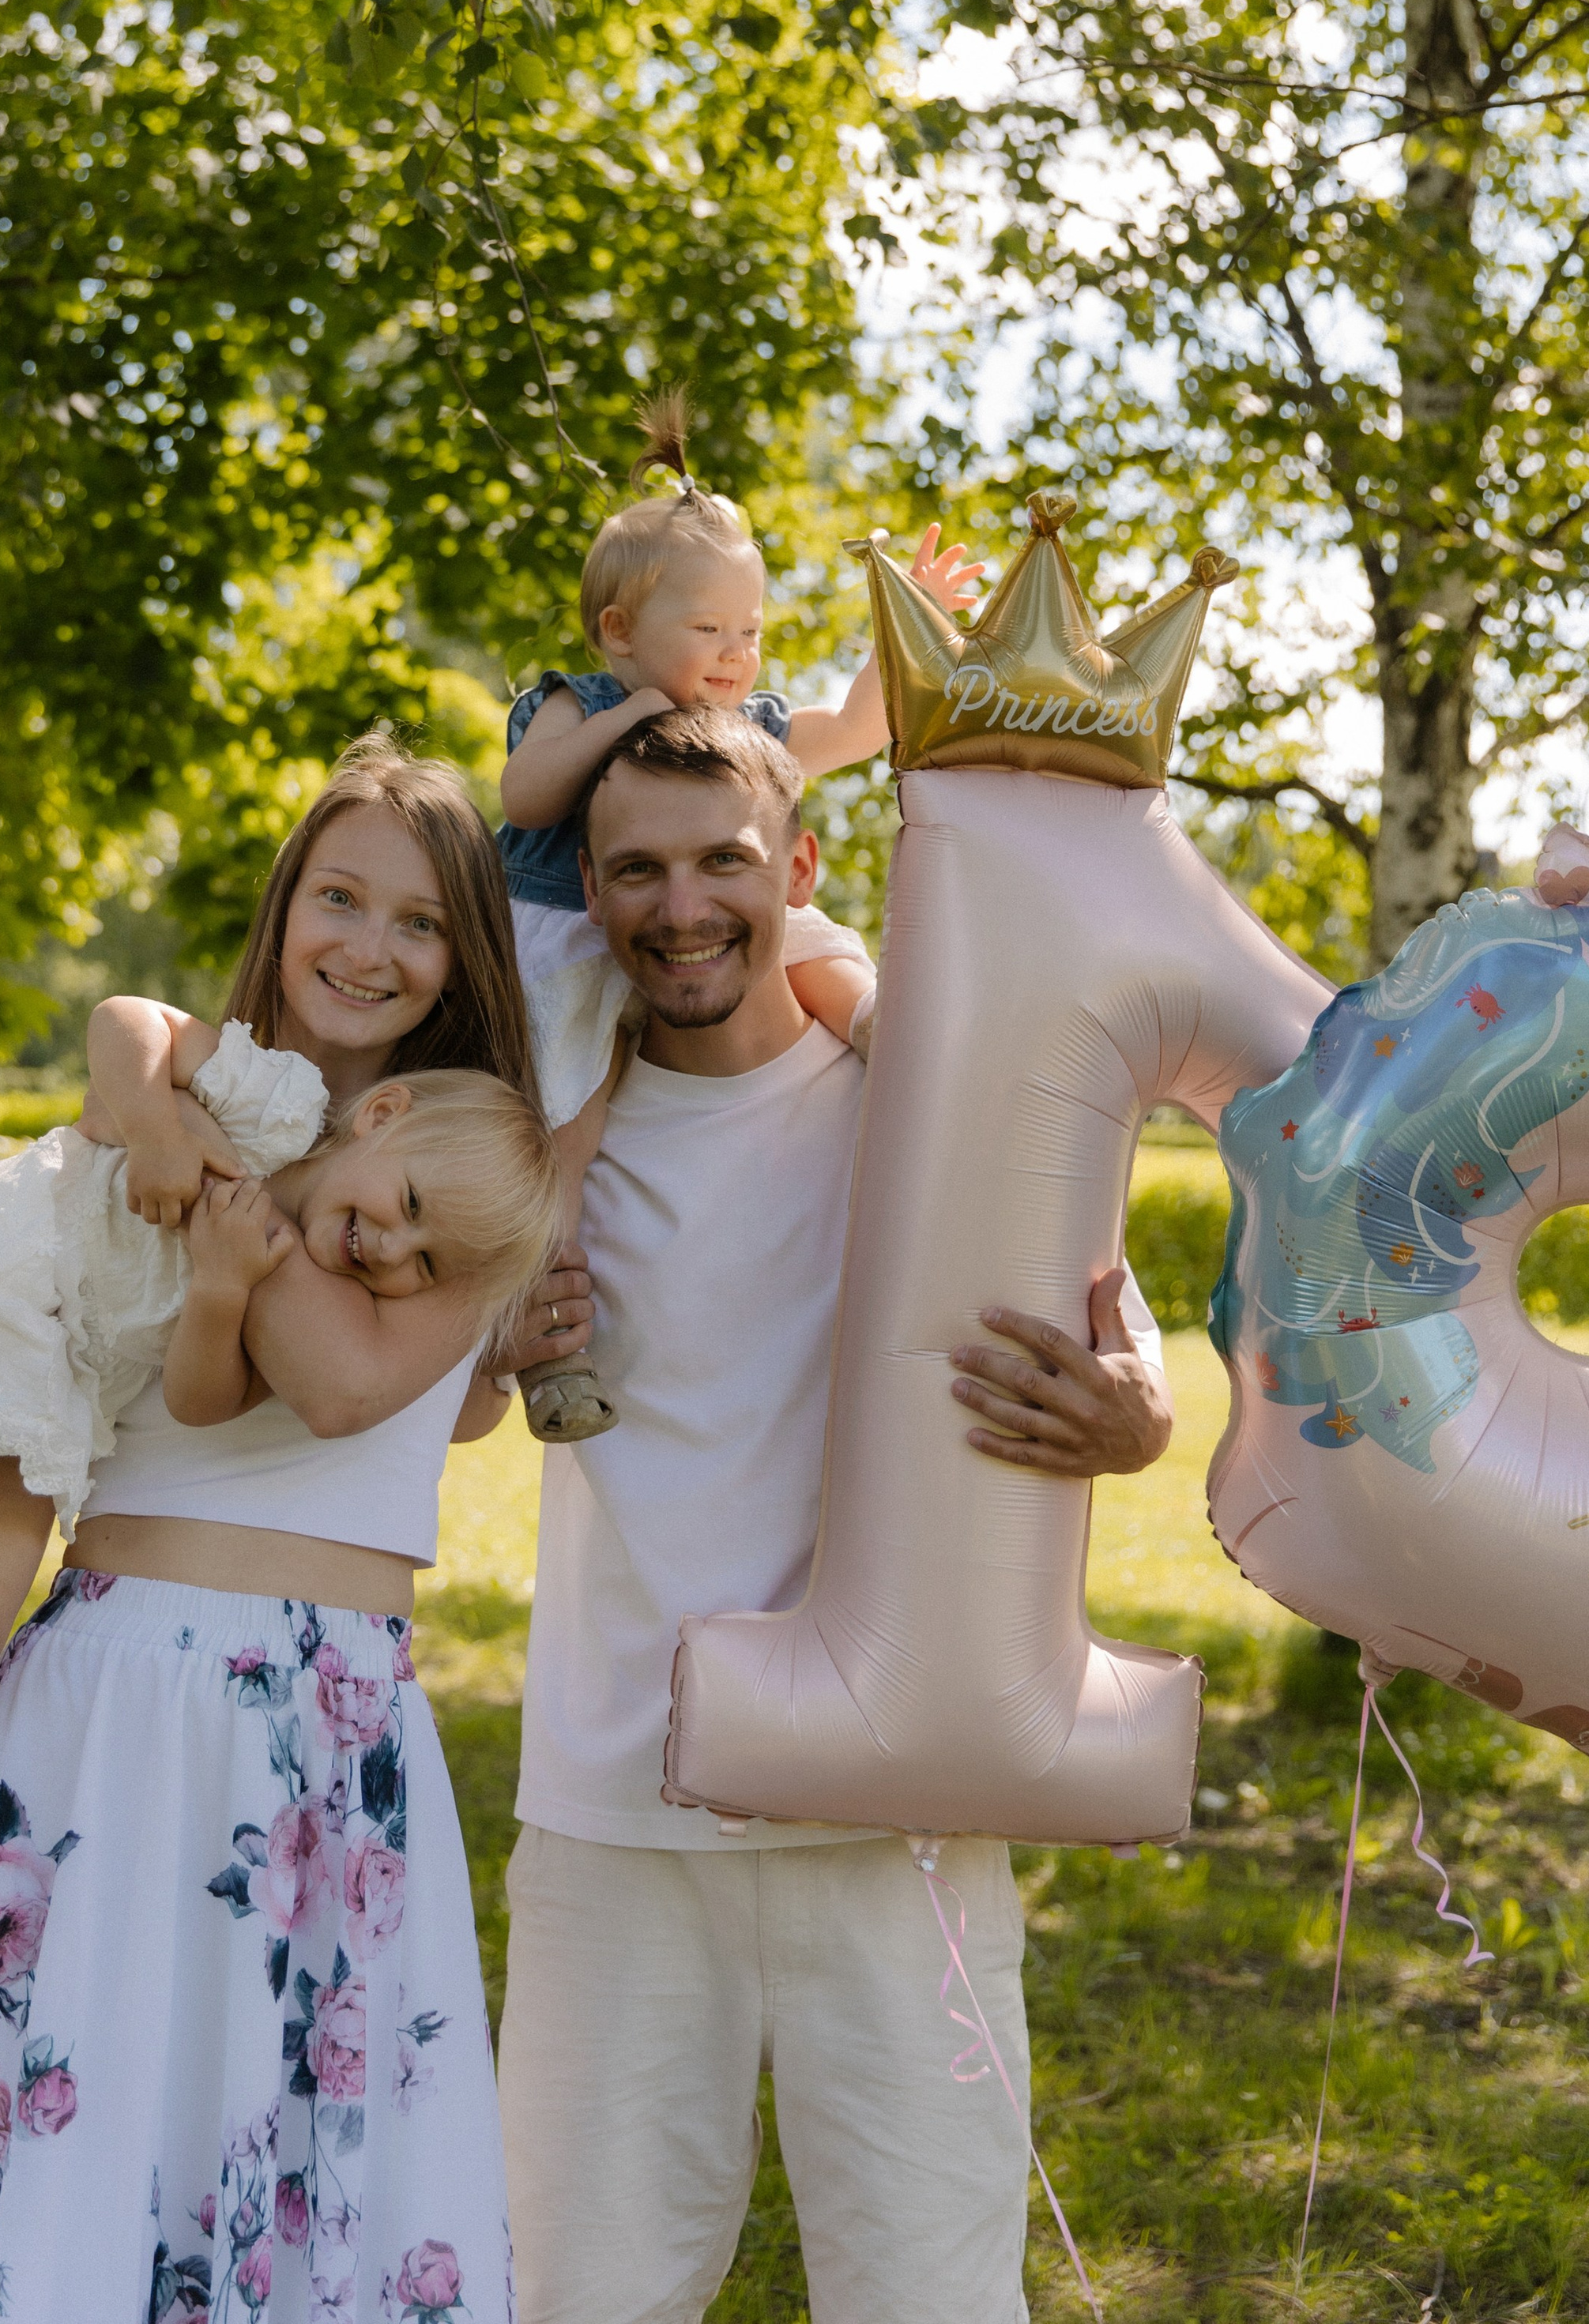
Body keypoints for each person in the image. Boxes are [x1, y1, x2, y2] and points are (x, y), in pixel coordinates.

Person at [494, 705, 1173, 2324]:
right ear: (586, 896)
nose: (680, 908)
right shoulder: (538, 1160)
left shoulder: (927, 1100)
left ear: (795, 867)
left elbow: (1115, 1348)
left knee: (930, 2295)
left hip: (899, 1818)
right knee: (575, 2294)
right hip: (611, 1811)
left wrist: (1131, 1415)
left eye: (721, 861)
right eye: (635, 872)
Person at [0, 731, 544, 2324]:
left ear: (463, 960)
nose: (368, 949)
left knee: (293, 2134)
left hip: (322, 1701)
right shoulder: (187, 1088)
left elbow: (362, 1396)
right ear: (284, 900)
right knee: (77, 2110)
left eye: (421, 922)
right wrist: (144, 1082)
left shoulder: (467, 1169)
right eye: (338, 897)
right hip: (110, 1680)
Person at [497, 391, 984, 1437]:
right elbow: (527, 800)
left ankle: (880, 1032)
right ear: (619, 633)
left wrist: (918, 622)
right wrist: (631, 716)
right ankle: (555, 1346)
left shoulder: (747, 727)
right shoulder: (579, 704)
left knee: (806, 941)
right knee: (566, 1137)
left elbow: (857, 728)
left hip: (698, 933)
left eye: (751, 630)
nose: (736, 653)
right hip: (571, 947)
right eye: (709, 628)